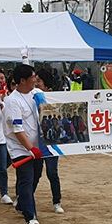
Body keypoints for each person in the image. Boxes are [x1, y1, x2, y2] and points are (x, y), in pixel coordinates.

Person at [4, 64, 42, 224]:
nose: (35, 79)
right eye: (33, 77)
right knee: (26, 179)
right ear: (22, 80)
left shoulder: (36, 94)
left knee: (36, 176)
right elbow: (17, 129)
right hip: (20, 147)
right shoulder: (12, 101)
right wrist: (29, 148)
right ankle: (30, 215)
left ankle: (22, 202)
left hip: (38, 146)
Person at [34, 69, 65, 214]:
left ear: (46, 85)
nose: (36, 83)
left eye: (39, 81)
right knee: (35, 173)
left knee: (52, 172)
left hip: (51, 143)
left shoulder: (53, 98)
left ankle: (57, 201)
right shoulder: (31, 96)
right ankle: (24, 197)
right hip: (35, 142)